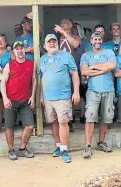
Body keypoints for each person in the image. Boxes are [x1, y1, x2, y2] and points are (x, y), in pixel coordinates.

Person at [40, 34, 80, 163]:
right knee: (53, 122)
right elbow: (41, 79)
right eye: (49, 42)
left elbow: (74, 74)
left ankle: (64, 149)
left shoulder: (66, 55)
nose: (52, 44)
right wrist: (40, 96)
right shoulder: (42, 58)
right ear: (45, 45)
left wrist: (76, 92)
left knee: (63, 122)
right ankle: (58, 145)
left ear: (57, 43)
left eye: (54, 41)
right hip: (48, 98)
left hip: (63, 96)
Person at [80, 31, 116, 158]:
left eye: (99, 39)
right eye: (95, 39)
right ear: (91, 41)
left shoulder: (109, 52)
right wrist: (103, 68)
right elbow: (84, 71)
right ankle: (88, 145)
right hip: (93, 90)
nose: (97, 42)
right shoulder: (86, 55)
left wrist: (94, 68)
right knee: (90, 117)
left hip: (108, 89)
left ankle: (101, 142)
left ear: (102, 41)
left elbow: (112, 66)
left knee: (106, 117)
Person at [0, 41, 37, 160]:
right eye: (17, 49)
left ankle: (22, 147)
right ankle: (11, 150)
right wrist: (5, 98)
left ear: (24, 50)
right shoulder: (9, 65)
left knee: (30, 126)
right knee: (9, 126)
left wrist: (32, 96)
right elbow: (3, 83)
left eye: (22, 48)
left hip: (26, 101)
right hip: (11, 101)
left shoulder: (32, 64)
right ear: (14, 51)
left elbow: (34, 80)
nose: (20, 51)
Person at [55, 19, 81, 133]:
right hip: (59, 71)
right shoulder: (56, 38)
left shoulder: (75, 36)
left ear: (70, 25)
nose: (62, 25)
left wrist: (63, 33)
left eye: (64, 23)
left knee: (71, 96)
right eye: (60, 24)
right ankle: (62, 120)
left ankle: (69, 121)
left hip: (71, 70)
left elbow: (75, 45)